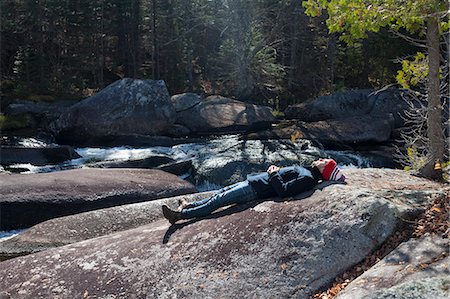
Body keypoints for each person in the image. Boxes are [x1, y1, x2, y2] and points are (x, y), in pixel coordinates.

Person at [162, 158, 345, 224]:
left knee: (217, 202)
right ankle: (188, 206)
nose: (321, 159)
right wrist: (276, 171)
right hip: (256, 182)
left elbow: (284, 191)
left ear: (324, 170)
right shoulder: (308, 172)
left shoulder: (308, 179)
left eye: (325, 161)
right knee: (218, 195)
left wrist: (273, 174)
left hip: (256, 189)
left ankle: (180, 216)